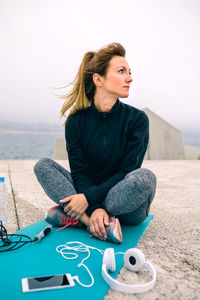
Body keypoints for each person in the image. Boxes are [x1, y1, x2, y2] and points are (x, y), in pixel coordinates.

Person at [34, 42, 156, 244]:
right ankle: (90, 221)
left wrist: (90, 201)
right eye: (121, 71)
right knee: (43, 165)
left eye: (129, 71)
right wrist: (92, 208)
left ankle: (75, 216)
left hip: (123, 205)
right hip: (87, 195)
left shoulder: (137, 119)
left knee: (144, 178)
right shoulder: (75, 122)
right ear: (98, 79)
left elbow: (128, 170)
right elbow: (80, 173)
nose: (130, 77)